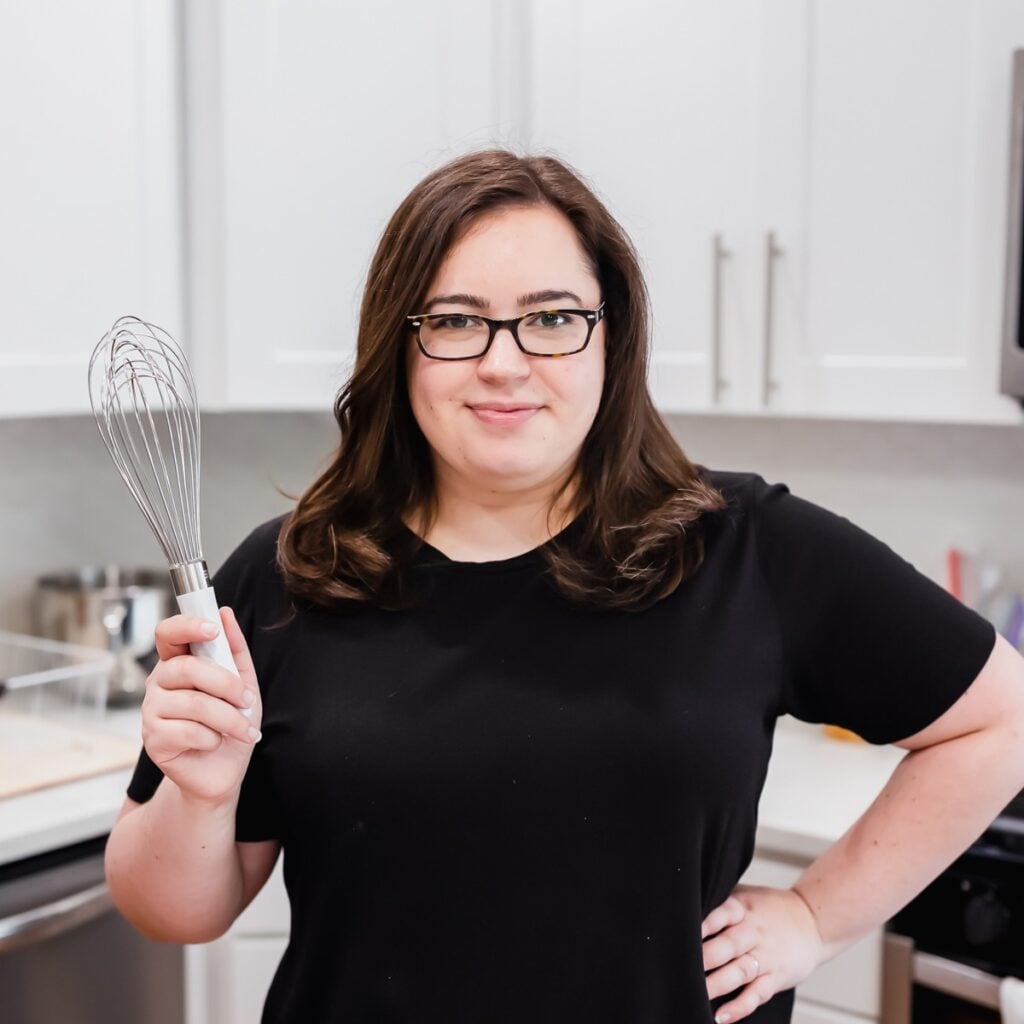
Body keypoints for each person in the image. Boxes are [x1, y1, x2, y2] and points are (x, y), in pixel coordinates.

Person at [104, 149, 1024, 1024]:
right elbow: (174, 911)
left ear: (609, 339)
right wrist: (203, 795)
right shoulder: (292, 575)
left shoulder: (746, 550)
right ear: (400, 346)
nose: (505, 363)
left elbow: (1000, 717)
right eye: (457, 320)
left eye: (551, 317)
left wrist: (818, 918)